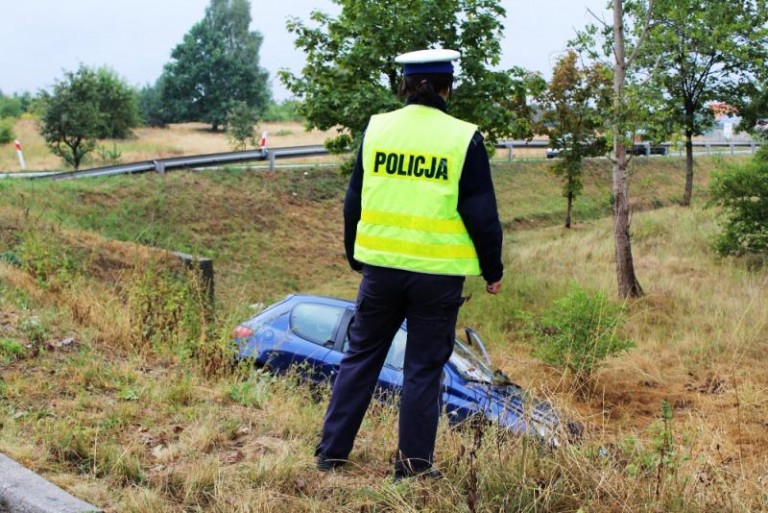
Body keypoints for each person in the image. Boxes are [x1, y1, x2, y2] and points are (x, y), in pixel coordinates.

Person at [315, 48, 504, 480]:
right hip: (437, 278)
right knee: (422, 370)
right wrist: (492, 270)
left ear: (403, 86)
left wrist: (356, 254)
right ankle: (413, 466)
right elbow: (482, 213)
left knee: (360, 357)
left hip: (380, 271)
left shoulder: (377, 129)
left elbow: (353, 200)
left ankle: (331, 453)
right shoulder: (464, 138)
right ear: (447, 88)